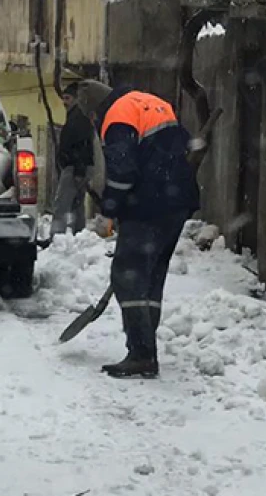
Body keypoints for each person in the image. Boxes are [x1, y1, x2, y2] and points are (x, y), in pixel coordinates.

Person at [74, 80, 201, 379]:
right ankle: (145, 346)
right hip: (177, 199)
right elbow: (181, 145)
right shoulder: (150, 101)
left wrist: (111, 209)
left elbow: (123, 170)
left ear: (93, 112)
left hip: (150, 202)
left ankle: (142, 353)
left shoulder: (116, 118)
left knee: (126, 274)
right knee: (151, 276)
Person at [50, 82, 94, 238]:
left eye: (68, 98)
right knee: (77, 203)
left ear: (76, 99)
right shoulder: (77, 116)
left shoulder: (78, 119)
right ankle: (79, 235)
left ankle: (56, 237)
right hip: (77, 167)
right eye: (63, 98)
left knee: (62, 203)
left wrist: (78, 171)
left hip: (74, 167)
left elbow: (83, 146)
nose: (64, 102)